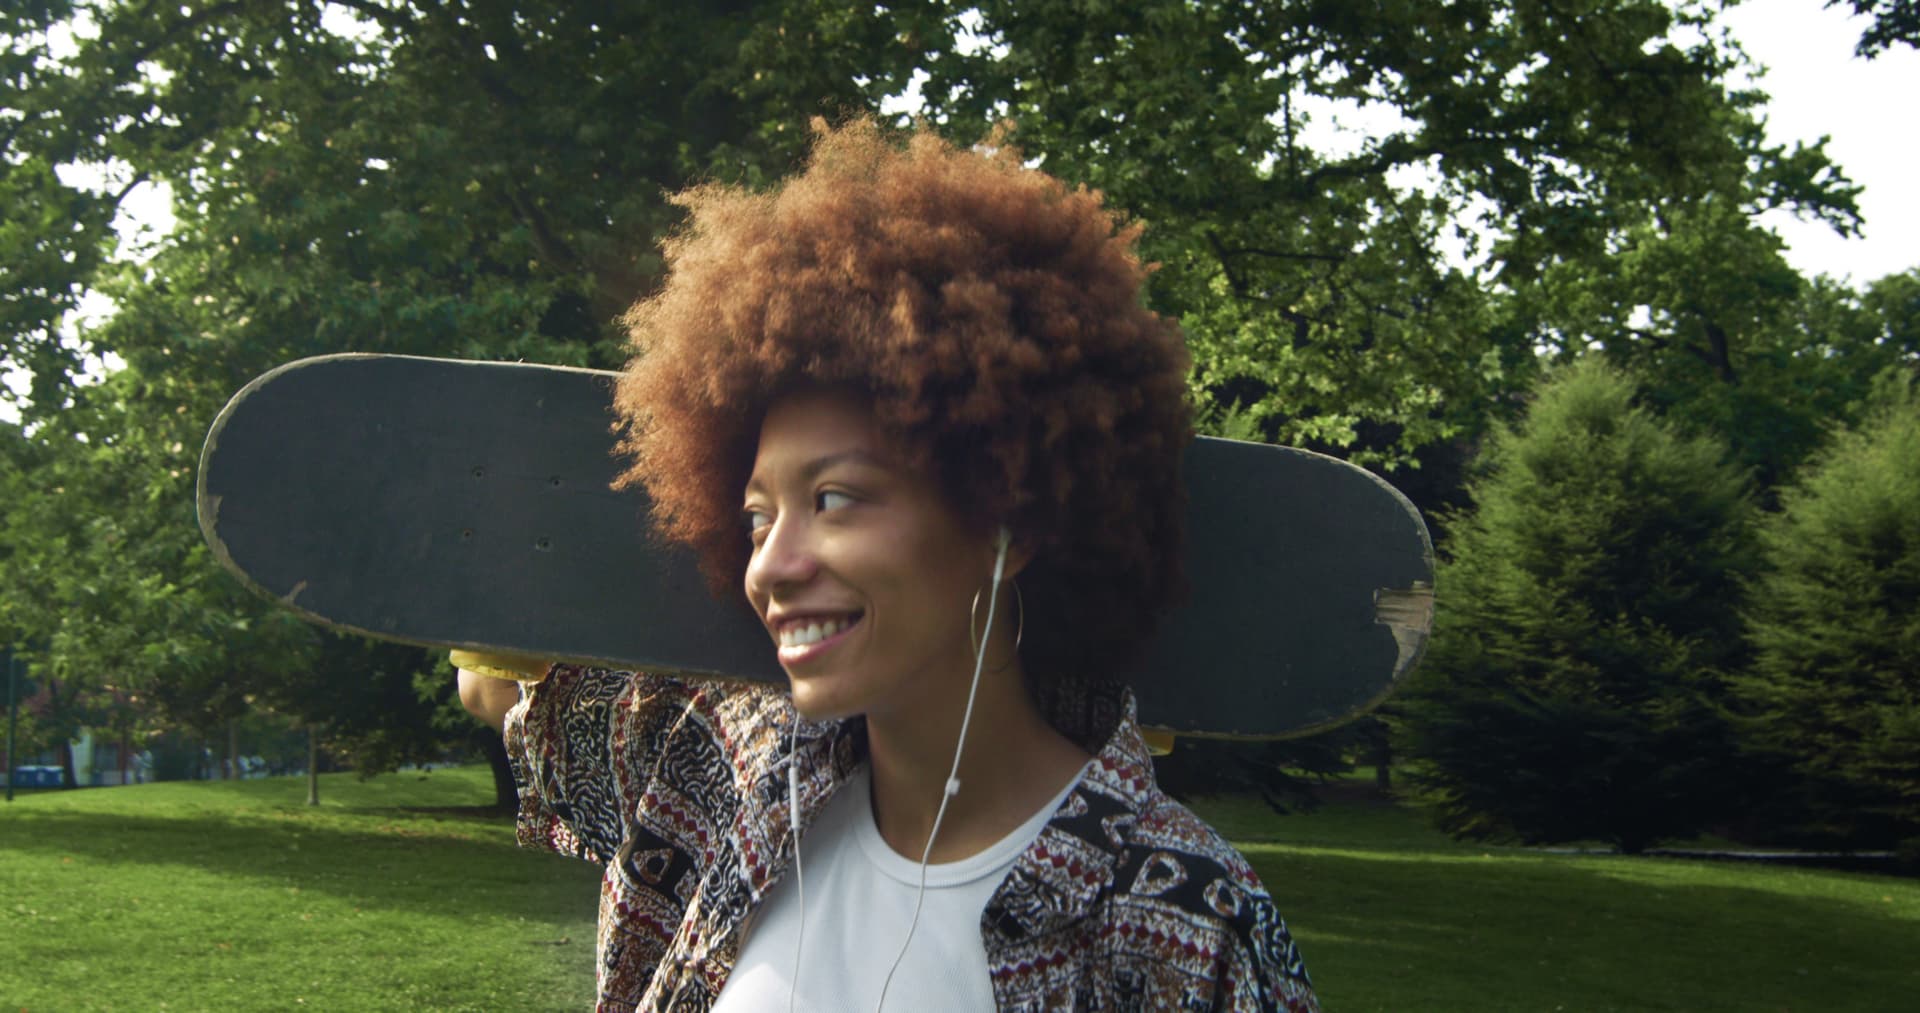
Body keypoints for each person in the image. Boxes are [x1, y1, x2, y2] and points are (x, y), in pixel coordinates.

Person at [460, 119, 1319, 1012]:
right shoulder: (725, 774)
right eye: (756, 518)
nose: (773, 567)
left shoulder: (1181, 920)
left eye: (834, 500)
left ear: (1008, 523)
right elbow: (511, 698)